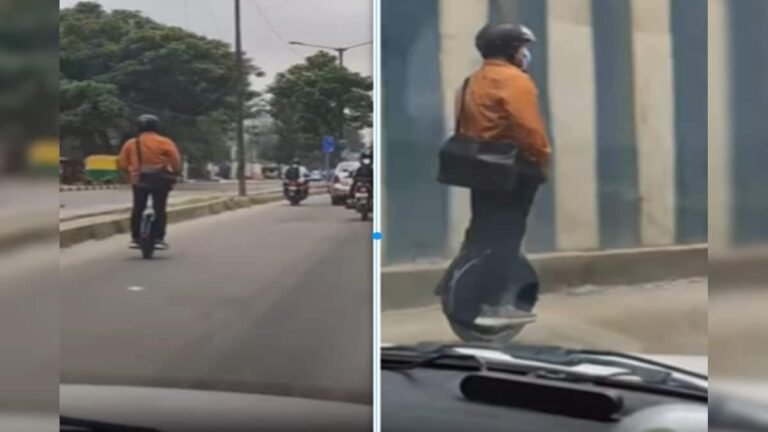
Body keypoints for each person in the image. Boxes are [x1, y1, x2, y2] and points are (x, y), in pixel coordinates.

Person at [436, 23, 551, 327]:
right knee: (506, 236)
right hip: (512, 168)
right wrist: (543, 157)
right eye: (522, 47)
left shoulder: (473, 80)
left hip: (479, 167)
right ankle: (493, 304)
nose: (525, 54)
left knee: (481, 232)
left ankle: (455, 285)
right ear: (511, 49)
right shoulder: (515, 81)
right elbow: (529, 129)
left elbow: (464, 126)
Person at [118, 114, 182, 250]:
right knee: (160, 208)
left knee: (138, 208)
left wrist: (129, 175)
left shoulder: (131, 143)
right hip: (161, 180)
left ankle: (135, 238)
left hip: (138, 180)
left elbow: (122, 164)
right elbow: (176, 161)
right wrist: (176, 173)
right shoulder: (165, 142)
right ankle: (159, 238)